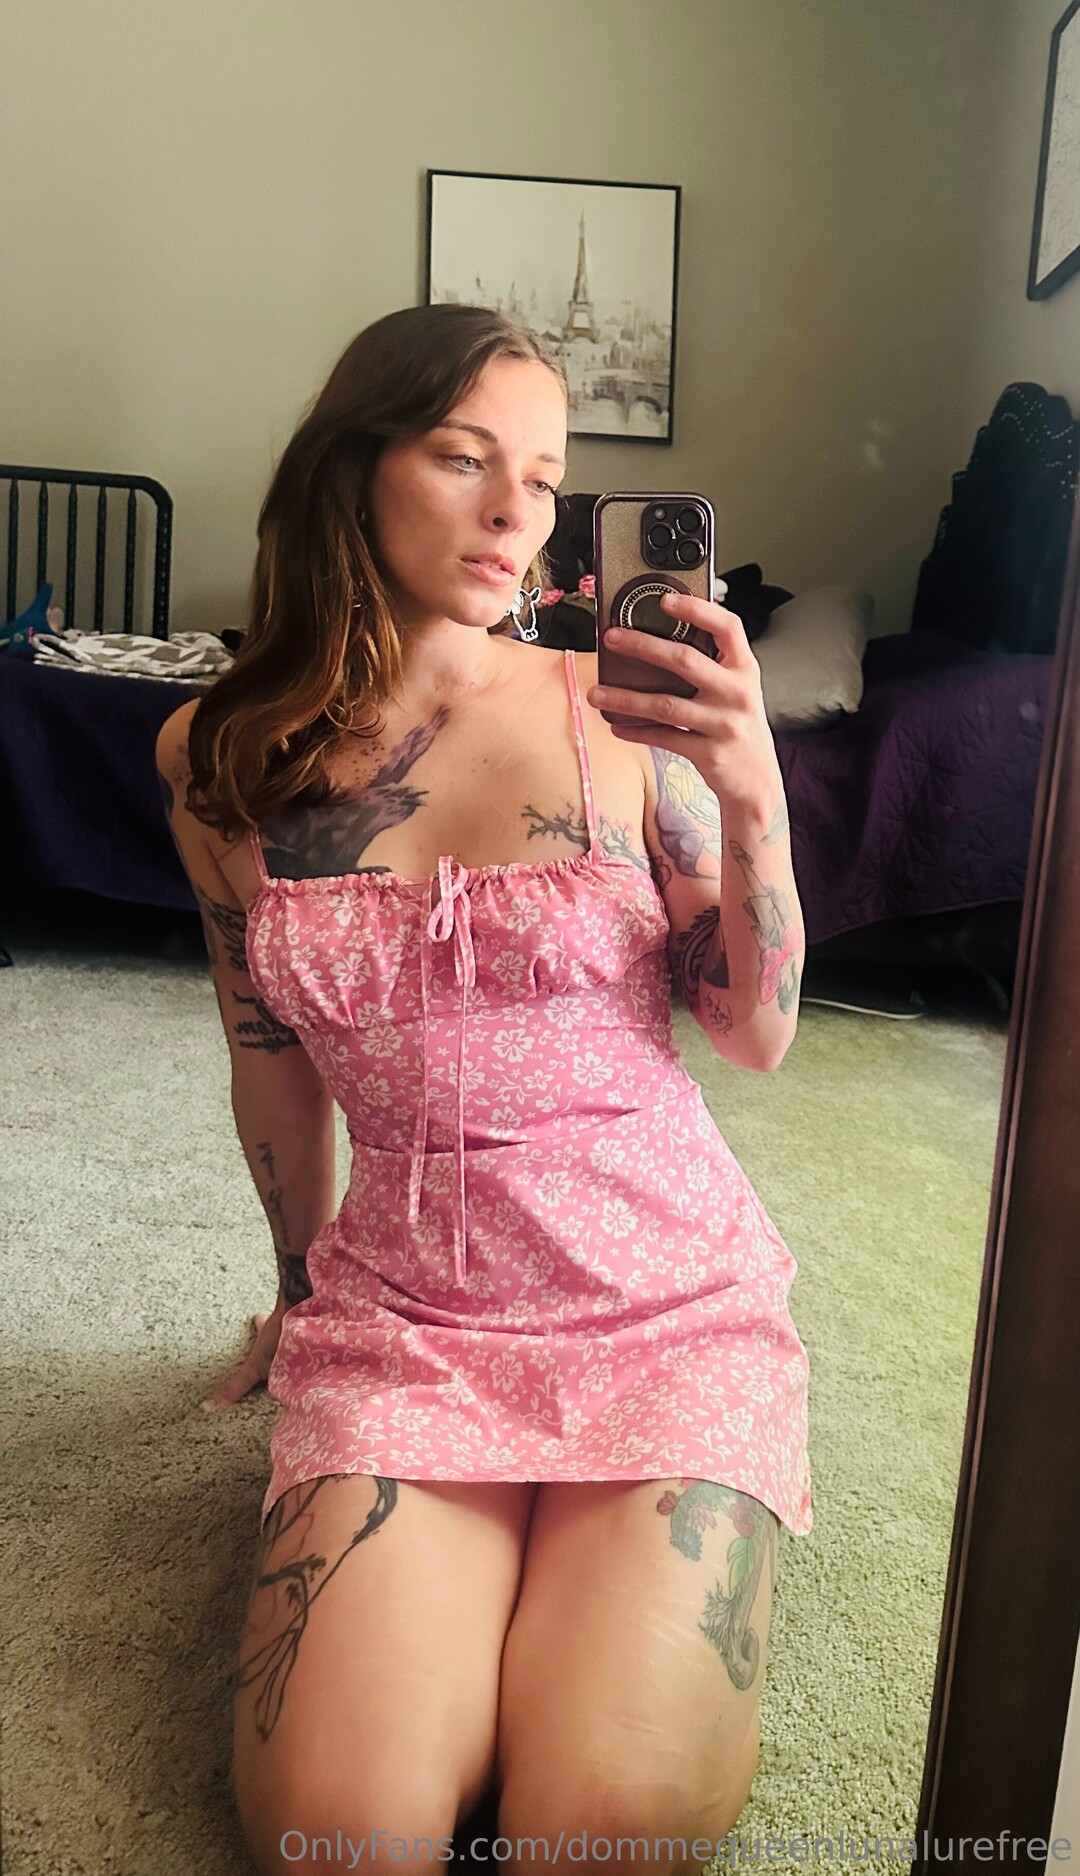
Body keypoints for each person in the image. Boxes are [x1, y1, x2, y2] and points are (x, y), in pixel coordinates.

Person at [156, 302, 813, 1876]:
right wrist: (297, 1299)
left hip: (664, 1310)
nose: (518, 511)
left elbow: (753, 1030)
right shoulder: (218, 758)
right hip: (407, 1323)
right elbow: (269, 1062)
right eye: (465, 459)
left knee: (594, 1831)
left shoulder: (622, 714)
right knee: (338, 1835)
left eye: (546, 475)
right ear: (352, 467)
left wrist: (753, 794)